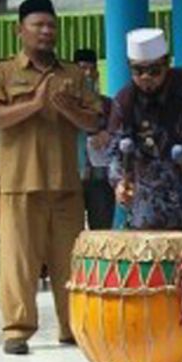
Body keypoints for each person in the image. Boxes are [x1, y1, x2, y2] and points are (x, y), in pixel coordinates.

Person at [0, 0, 102, 355]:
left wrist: (68, 111)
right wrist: (33, 104)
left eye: (51, 25)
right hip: (19, 185)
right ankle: (17, 330)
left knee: (71, 262)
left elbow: (94, 122)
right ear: (21, 30)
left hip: (65, 185)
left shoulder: (73, 75)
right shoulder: (1, 72)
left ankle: (72, 327)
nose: (47, 32)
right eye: (38, 25)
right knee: (18, 263)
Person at [108, 28, 182, 234]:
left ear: (166, 62)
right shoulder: (125, 101)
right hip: (150, 210)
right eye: (138, 71)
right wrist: (119, 185)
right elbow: (115, 153)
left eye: (154, 70)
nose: (146, 77)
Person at [74, 48, 115, 230]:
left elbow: (122, 132)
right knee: (70, 233)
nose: (88, 74)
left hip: (101, 177)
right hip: (71, 178)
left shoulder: (108, 105)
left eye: (92, 69)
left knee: (101, 231)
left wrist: (108, 135)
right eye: (83, 69)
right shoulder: (64, 105)